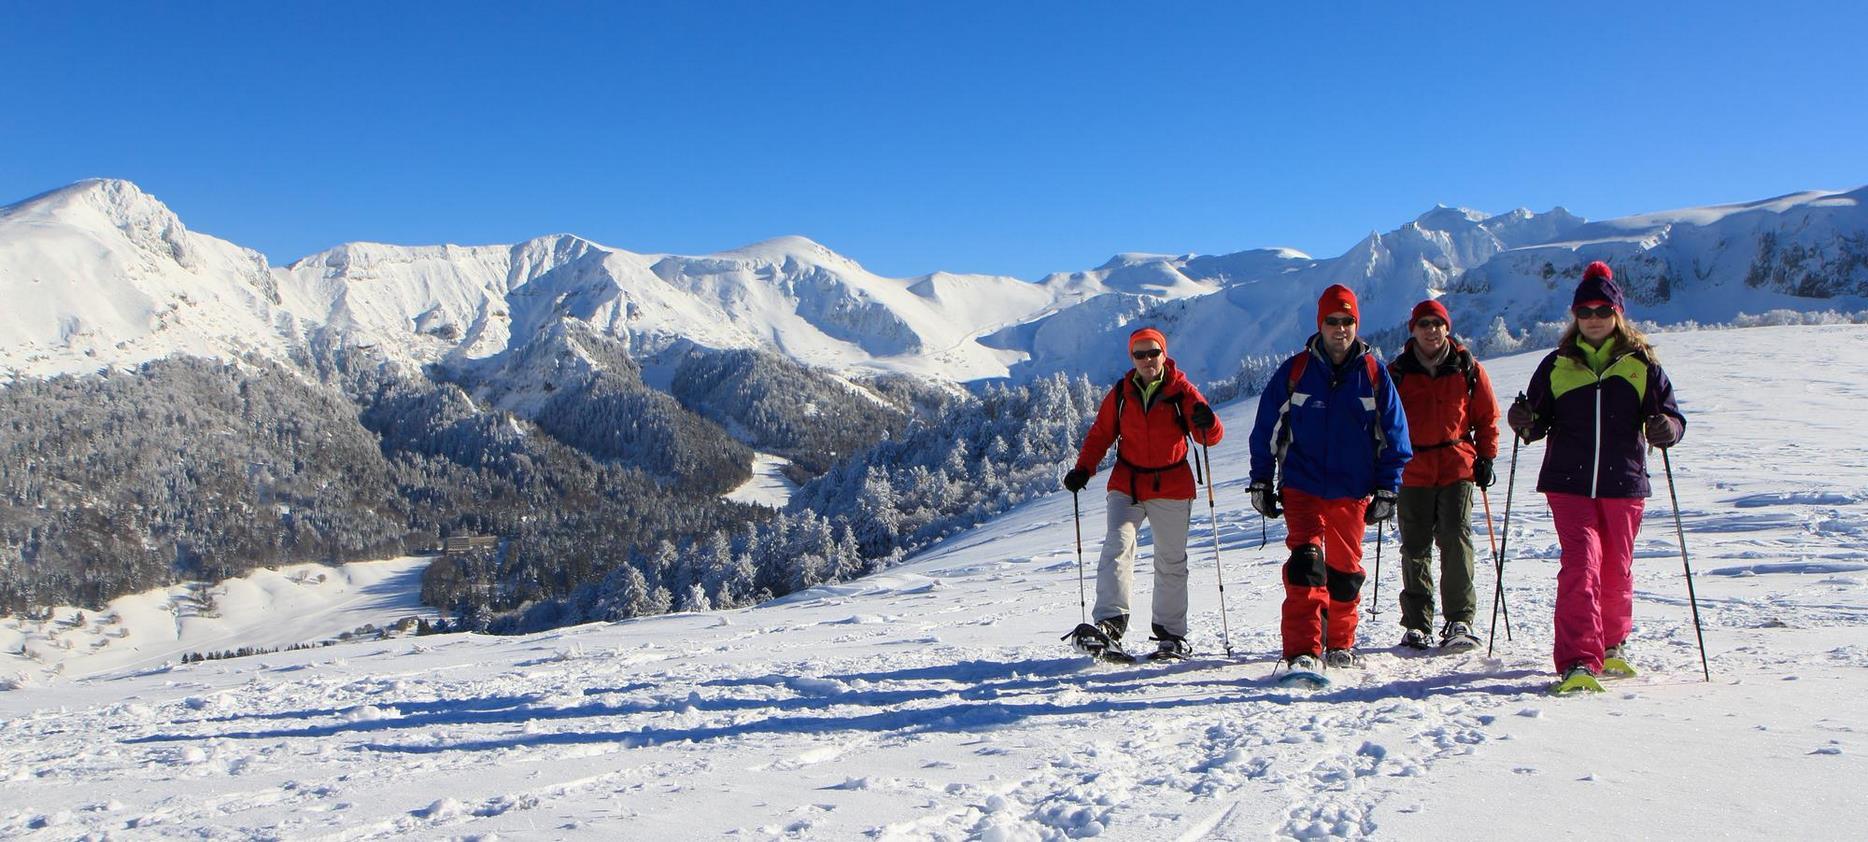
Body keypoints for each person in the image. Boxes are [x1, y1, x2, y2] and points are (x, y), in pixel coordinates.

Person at [1507, 261, 1685, 692]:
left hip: (1623, 482)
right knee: (1581, 566)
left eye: (1602, 311)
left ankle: (1612, 643)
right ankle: (1578, 659)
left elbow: (1670, 418)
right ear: (1574, 317)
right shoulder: (1556, 364)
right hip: (1569, 482)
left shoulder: (1642, 365)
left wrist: (1667, 429)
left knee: (1616, 567)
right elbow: (1536, 423)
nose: (1592, 319)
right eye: (1584, 311)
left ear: (1617, 314)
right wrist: (1523, 421)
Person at [1247, 285, 1412, 674]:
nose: (1340, 329)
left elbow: (1395, 434)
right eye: (1332, 321)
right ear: (1320, 324)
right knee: (1306, 566)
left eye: (1347, 321)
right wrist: (1260, 479)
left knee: (1345, 573)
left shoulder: (1373, 374)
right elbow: (1266, 429)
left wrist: (1389, 486)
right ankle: (1302, 650)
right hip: (1301, 486)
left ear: (1357, 324)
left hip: (1351, 490)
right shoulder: (1296, 372)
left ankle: (1339, 641)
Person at [1064, 327, 1224, 661]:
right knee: (1117, 545)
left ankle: (1171, 635)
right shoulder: (1122, 392)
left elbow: (1211, 436)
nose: (1148, 360)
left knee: (1170, 560)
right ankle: (1110, 624)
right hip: (1128, 483)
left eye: (1153, 353)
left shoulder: (1181, 390)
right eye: (1140, 354)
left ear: (1164, 354)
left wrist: (1208, 421)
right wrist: (1084, 468)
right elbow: (1101, 434)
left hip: (1172, 485)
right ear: (1132, 358)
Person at [1388, 299, 1499, 651]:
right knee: (1415, 547)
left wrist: (1487, 457)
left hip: (1456, 465)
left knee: (1455, 539)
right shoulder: (1398, 372)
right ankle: (1417, 624)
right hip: (1413, 469)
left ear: (1447, 328)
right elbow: (1384, 423)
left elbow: (1486, 417)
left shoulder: (1467, 368)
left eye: (1437, 323)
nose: (1431, 330)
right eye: (1424, 324)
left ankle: (1459, 620)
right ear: (1413, 330)